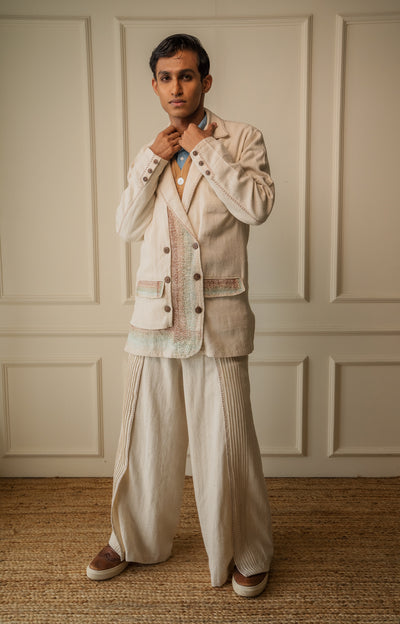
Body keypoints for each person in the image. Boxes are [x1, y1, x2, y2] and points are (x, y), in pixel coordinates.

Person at [87, 33, 274, 598]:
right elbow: (125, 226)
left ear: (205, 81)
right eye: (166, 78)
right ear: (155, 86)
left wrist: (204, 148)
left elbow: (257, 207)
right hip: (155, 318)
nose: (177, 87)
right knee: (145, 439)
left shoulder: (242, 138)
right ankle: (130, 538)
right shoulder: (151, 151)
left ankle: (247, 548)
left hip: (218, 318)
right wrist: (154, 157)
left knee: (228, 443)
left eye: (187, 76)